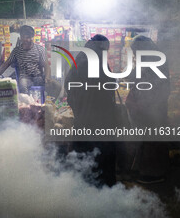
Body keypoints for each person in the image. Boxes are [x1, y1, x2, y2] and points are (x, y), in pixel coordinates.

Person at [64, 34, 117, 187]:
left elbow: (69, 85)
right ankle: (103, 190)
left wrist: (78, 108)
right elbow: (108, 87)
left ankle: (82, 189)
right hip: (100, 119)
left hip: (83, 118)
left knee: (84, 156)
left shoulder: (80, 57)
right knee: (101, 155)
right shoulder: (98, 59)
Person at [125, 35, 170, 184]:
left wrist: (143, 105)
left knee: (152, 141)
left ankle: (153, 175)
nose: (135, 54)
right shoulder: (149, 58)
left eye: (136, 50)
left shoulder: (155, 61)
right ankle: (145, 170)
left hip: (153, 109)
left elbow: (154, 87)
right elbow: (138, 76)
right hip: (148, 108)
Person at [0, 25, 50, 94]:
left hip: (37, 76)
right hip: (24, 77)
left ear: (33, 37)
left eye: (30, 37)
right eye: (26, 37)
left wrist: (47, 78)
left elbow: (46, 66)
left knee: (47, 85)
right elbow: (6, 64)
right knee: (22, 84)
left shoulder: (40, 49)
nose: (28, 40)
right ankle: (26, 103)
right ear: (21, 37)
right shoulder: (16, 51)